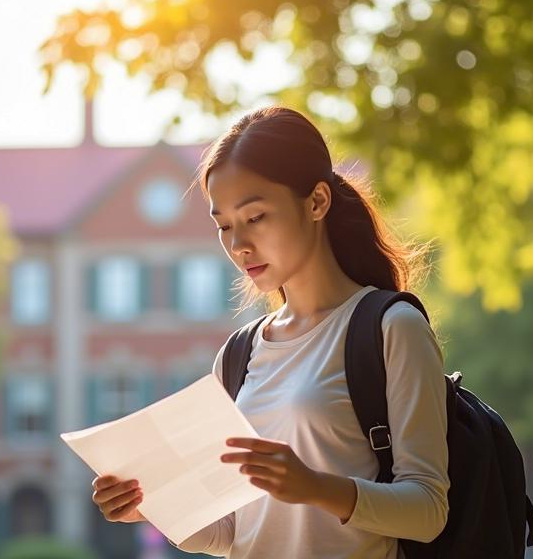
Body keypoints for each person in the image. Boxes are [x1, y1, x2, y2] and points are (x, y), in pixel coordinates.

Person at [90, 106, 449, 558]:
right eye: (223, 226)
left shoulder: (390, 327)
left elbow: (429, 511)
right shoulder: (239, 354)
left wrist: (316, 487)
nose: (238, 245)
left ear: (317, 202)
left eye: (256, 217)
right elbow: (228, 533)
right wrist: (151, 505)